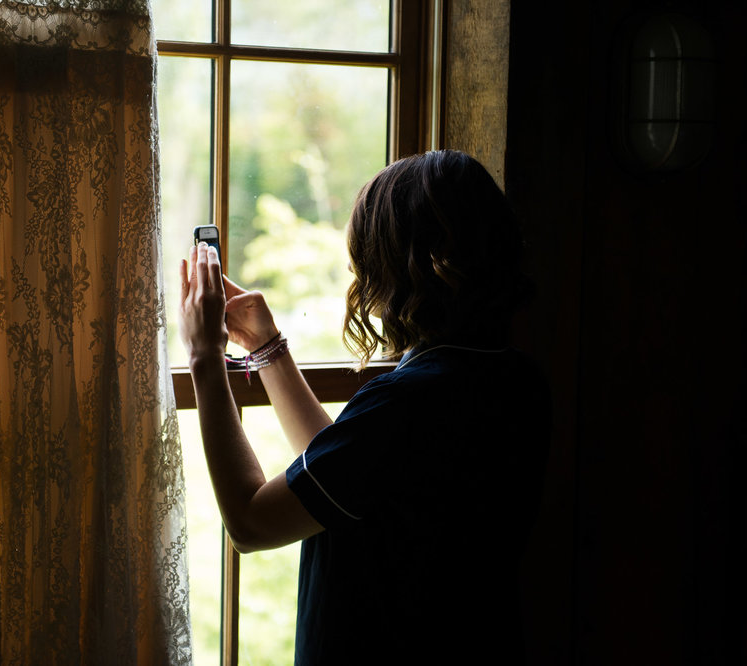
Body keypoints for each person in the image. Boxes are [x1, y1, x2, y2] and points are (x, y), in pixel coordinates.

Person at [179, 149, 551, 664]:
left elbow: (250, 524)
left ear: (403, 267)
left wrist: (204, 359)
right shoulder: (515, 379)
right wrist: (267, 350)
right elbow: (348, 474)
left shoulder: (408, 402)